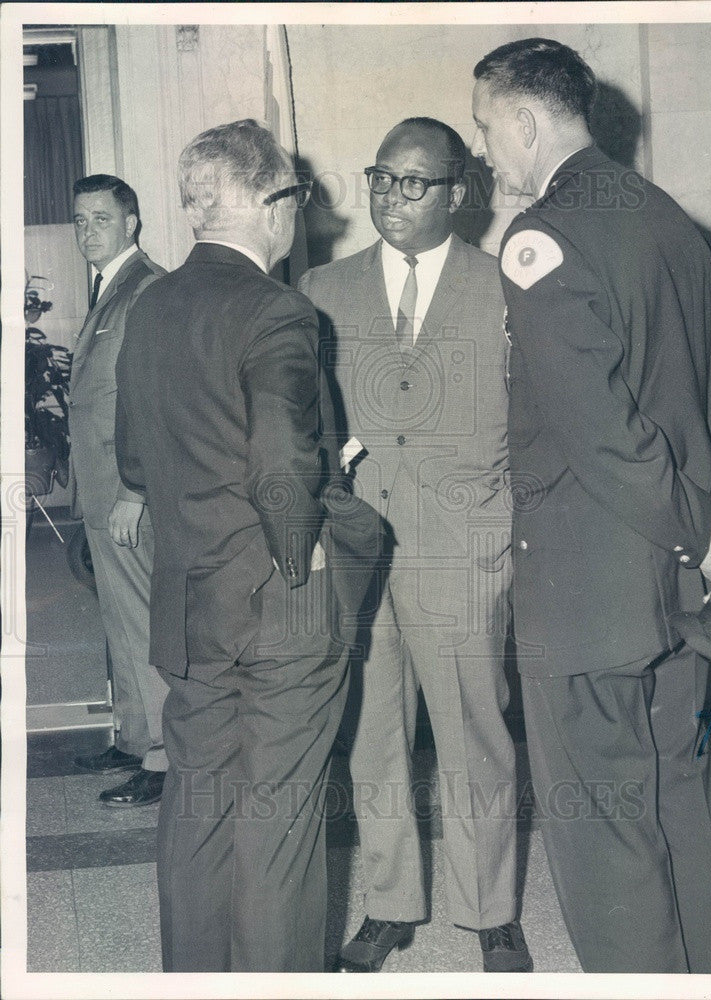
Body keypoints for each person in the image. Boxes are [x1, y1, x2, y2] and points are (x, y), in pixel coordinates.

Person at [471, 38, 711, 973]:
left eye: (486, 127)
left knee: (602, 825)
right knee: (680, 795)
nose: (485, 150)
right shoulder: (670, 219)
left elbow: (600, 433)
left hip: (588, 586)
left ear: (525, 121)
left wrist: (689, 529)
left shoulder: (540, 240)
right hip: (681, 592)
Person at [114, 119, 379, 972]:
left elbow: (133, 457)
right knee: (280, 823)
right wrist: (303, 543)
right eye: (296, 196)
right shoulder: (277, 308)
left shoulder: (149, 303)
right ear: (272, 204)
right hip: (280, 607)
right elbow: (276, 468)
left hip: (191, 601)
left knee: (198, 808)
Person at [300, 117, 531, 973]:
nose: (391, 198)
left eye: (413, 183)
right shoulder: (323, 287)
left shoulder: (505, 285)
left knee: (475, 733)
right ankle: (391, 902)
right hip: (362, 546)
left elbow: (537, 414)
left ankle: (492, 911)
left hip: (463, 543)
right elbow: (308, 419)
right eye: (380, 179)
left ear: (457, 192)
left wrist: (501, 518)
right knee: (371, 730)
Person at [69, 174, 169, 807]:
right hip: (102, 487)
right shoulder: (109, 288)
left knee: (141, 617)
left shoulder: (146, 289)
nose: (88, 232)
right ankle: (134, 736)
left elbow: (151, 404)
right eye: (80, 221)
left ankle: (162, 757)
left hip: (129, 491)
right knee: (120, 616)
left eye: (100, 219)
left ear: (132, 221)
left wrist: (135, 491)